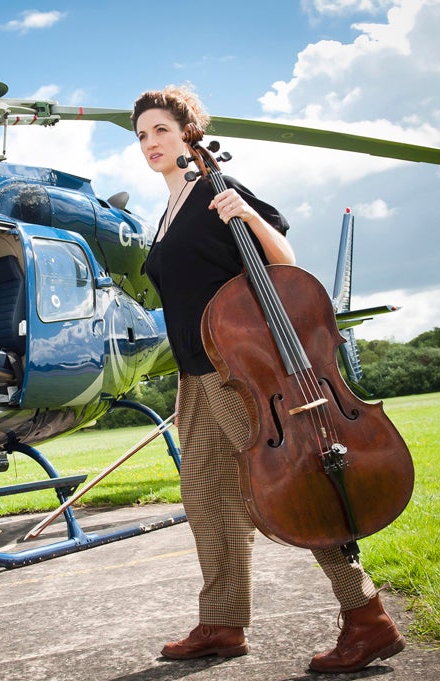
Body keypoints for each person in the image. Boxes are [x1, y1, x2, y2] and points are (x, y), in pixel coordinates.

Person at [131, 84, 406, 674]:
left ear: (188, 134)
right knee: (208, 499)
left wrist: (248, 215)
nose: (151, 143)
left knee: (293, 488)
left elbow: (283, 263)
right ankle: (223, 623)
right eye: (142, 135)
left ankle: (367, 617)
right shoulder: (170, 208)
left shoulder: (215, 189)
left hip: (241, 376)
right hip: (196, 376)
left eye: (160, 130)